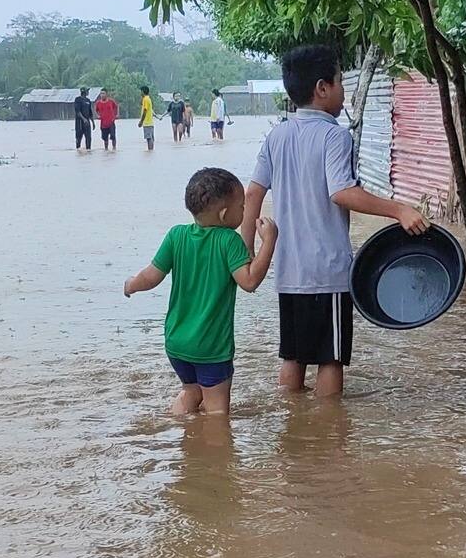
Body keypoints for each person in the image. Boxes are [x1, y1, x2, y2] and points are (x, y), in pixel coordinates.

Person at [242, 45, 428, 399]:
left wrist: (245, 253)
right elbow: (342, 192)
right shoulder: (335, 135)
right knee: (331, 360)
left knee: (292, 356)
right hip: (328, 274)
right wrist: (399, 209)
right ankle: (327, 441)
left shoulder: (276, 135)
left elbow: (252, 195)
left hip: (288, 274)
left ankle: (292, 431)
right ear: (322, 88)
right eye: (341, 81)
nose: (343, 89)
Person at [124, 168, 278, 416]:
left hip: (176, 343)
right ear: (225, 214)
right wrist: (268, 243)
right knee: (217, 413)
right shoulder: (229, 241)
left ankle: (179, 434)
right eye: (242, 206)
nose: (244, 212)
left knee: (191, 391)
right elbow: (249, 282)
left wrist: (131, 284)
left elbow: (150, 276)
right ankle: (210, 453)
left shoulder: (176, 235)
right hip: (211, 347)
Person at [72, 86, 94, 153]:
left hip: (87, 122)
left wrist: (93, 122)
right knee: (79, 137)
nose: (88, 92)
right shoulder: (78, 100)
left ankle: (88, 150)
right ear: (84, 92)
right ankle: (78, 149)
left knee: (88, 137)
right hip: (80, 122)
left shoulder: (88, 101)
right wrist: (83, 119)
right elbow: (77, 111)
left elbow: (90, 113)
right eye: (87, 91)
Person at [139, 86, 157, 151]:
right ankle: (151, 151)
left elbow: (145, 110)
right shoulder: (148, 99)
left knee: (149, 138)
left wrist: (141, 121)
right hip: (150, 122)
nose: (140, 93)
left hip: (147, 122)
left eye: (141, 92)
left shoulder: (146, 99)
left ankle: (150, 150)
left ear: (143, 92)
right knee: (150, 138)